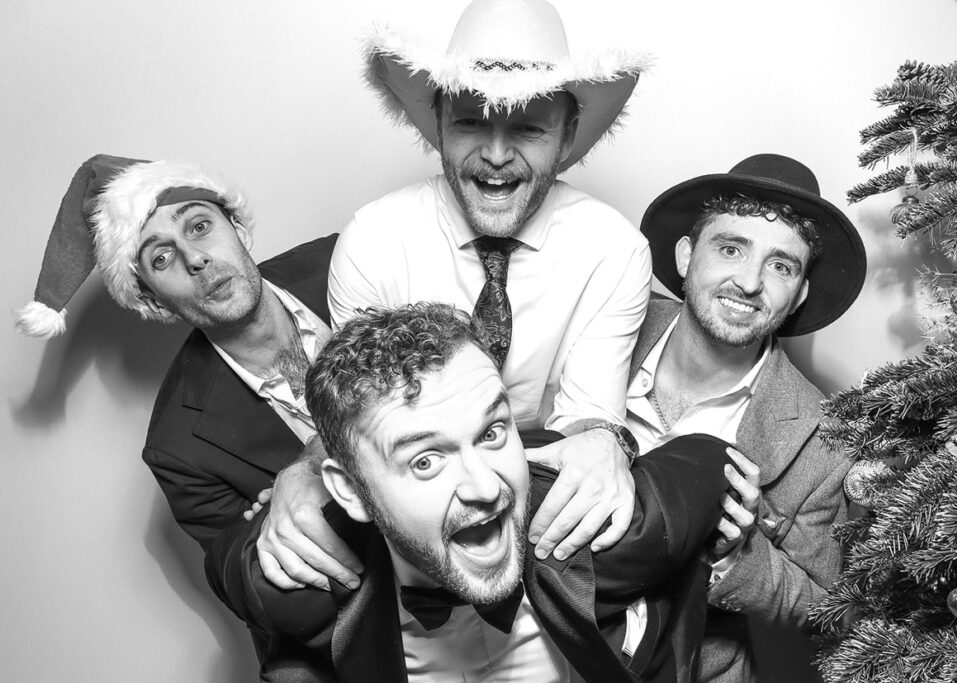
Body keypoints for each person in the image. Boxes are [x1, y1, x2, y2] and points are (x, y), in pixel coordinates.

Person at [257, 0, 654, 595]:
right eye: (470, 122)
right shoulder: (375, 239)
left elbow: (585, 422)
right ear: (437, 122)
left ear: (568, 134)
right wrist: (304, 467)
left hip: (539, 491)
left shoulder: (615, 248)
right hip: (413, 500)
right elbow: (365, 416)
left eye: (527, 127)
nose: (495, 156)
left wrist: (603, 440)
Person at [208, 303, 737, 682]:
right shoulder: (302, 584)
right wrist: (288, 484)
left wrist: (604, 439)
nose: (486, 487)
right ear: (350, 492)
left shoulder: (597, 530)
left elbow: (706, 460)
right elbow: (226, 566)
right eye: (425, 460)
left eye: (491, 433)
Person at [15, 154, 344, 665]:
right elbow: (276, 602)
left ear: (236, 227)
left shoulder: (352, 259)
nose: (195, 258)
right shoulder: (178, 448)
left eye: (199, 226)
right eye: (161, 259)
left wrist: (303, 475)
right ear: (153, 301)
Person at [631, 154, 867, 682]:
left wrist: (738, 555)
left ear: (800, 291)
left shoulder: (824, 440)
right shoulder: (603, 321)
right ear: (687, 255)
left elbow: (826, 606)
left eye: (781, 265)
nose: (750, 282)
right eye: (731, 248)